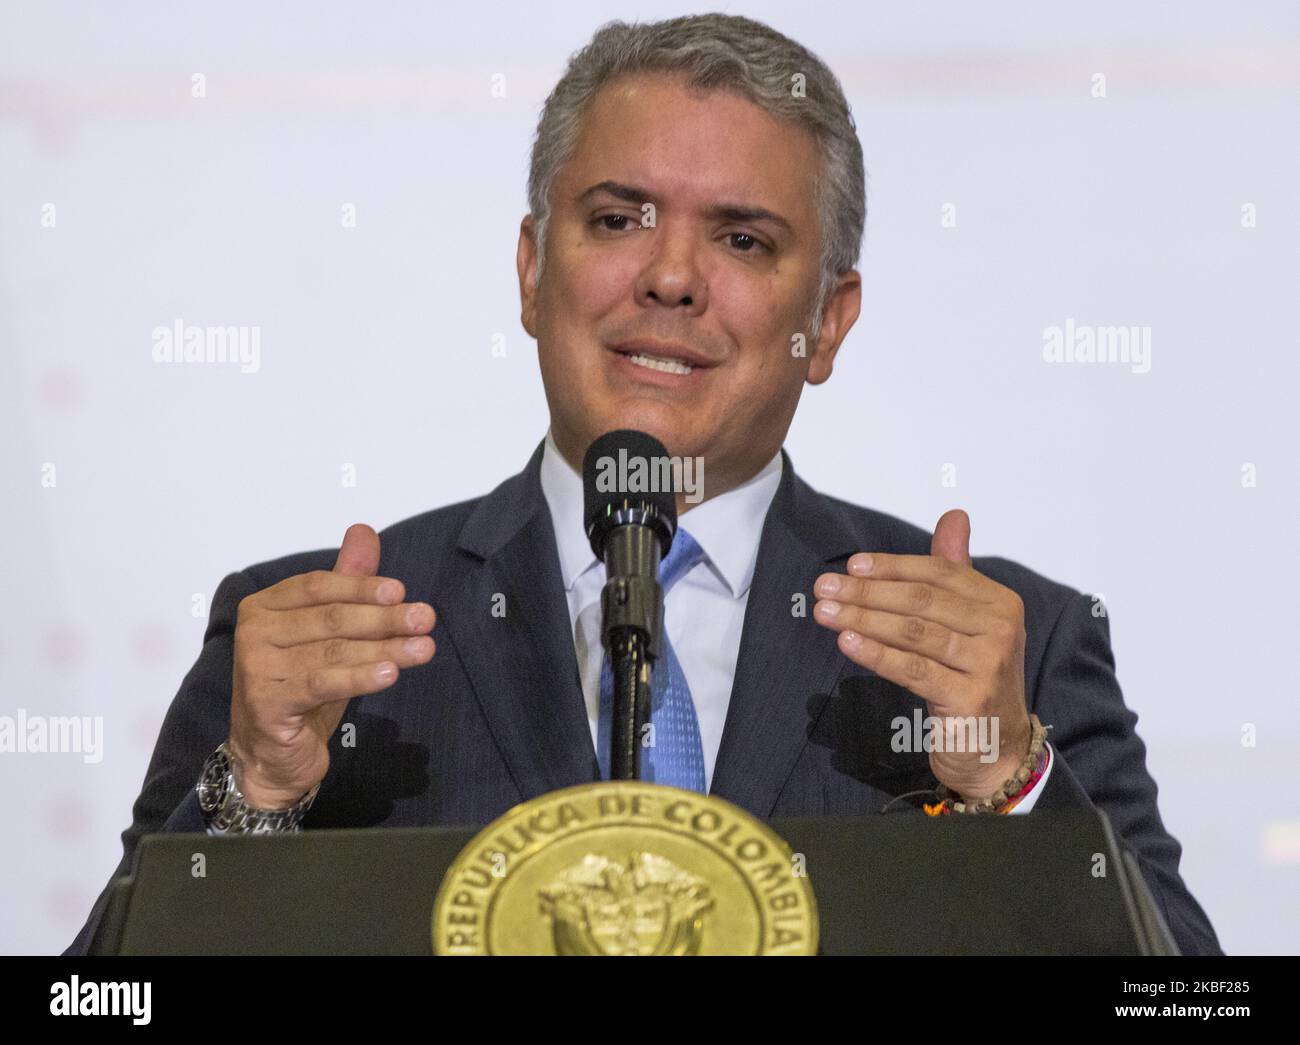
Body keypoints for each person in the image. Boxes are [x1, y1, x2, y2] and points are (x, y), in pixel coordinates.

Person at [66, 13, 1221, 955]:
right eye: (619, 218)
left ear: (827, 321)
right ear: (531, 270)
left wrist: (1015, 783)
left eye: (743, 240)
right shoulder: (314, 638)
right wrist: (254, 799)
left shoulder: (1009, 646)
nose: (669, 276)